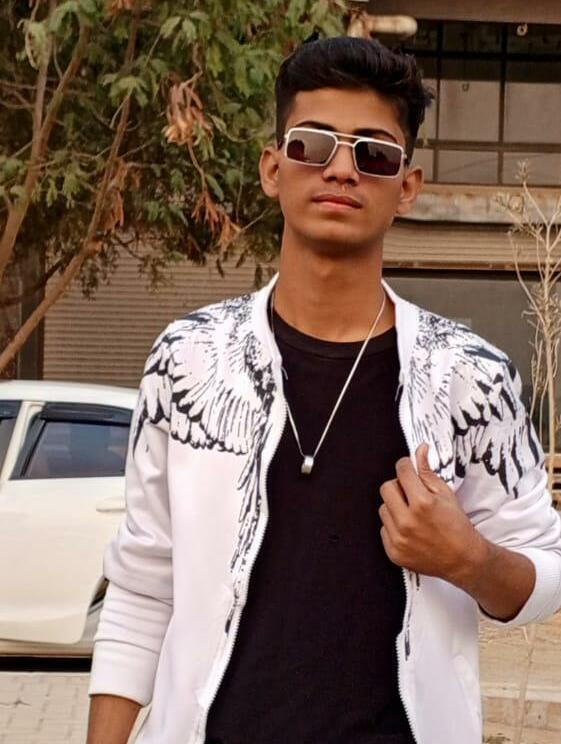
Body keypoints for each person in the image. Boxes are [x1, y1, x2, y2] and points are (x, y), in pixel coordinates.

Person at [86, 37, 561, 744]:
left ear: (407, 186)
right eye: (312, 145)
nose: (341, 168)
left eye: (373, 153)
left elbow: (547, 573)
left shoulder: (472, 377)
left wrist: (469, 559)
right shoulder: (188, 359)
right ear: (272, 167)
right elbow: (142, 583)